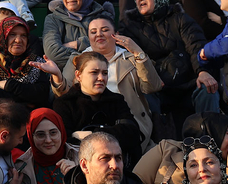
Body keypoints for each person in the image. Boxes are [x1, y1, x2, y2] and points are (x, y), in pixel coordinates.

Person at [118, 0, 220, 122]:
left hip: (188, 83)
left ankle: (210, 138)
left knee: (208, 88)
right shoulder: (129, 26)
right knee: (142, 92)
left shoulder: (180, 18)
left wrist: (202, 72)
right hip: (157, 89)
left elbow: (196, 45)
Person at [62, 17, 161, 149]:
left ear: (116, 35)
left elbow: (152, 87)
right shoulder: (76, 60)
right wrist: (57, 78)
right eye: (93, 31)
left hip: (128, 125)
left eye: (105, 30)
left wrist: (138, 52)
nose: (99, 34)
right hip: (87, 123)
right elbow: (64, 95)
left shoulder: (131, 58)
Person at [53, 51, 142, 162]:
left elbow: (132, 133)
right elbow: (64, 142)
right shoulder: (64, 104)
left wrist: (92, 134)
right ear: (78, 75)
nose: (101, 78)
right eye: (94, 72)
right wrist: (113, 133)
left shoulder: (116, 100)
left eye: (104, 73)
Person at [0, 15, 67, 109]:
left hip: (29, 116)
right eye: (12, 34)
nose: (18, 40)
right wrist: (25, 100)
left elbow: (41, 95)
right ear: (2, 36)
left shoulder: (35, 62)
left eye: (23, 36)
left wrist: (9, 85)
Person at [42, 0, 112, 71]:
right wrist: (90, 48)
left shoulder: (103, 17)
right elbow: (53, 54)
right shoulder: (53, 19)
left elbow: (108, 47)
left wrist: (78, 44)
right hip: (65, 80)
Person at [15, 108, 79, 184]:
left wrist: (79, 175)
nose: (48, 140)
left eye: (53, 133)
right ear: (31, 137)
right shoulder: (21, 167)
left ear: (61, 132)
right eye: (40, 135)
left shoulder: (83, 157)